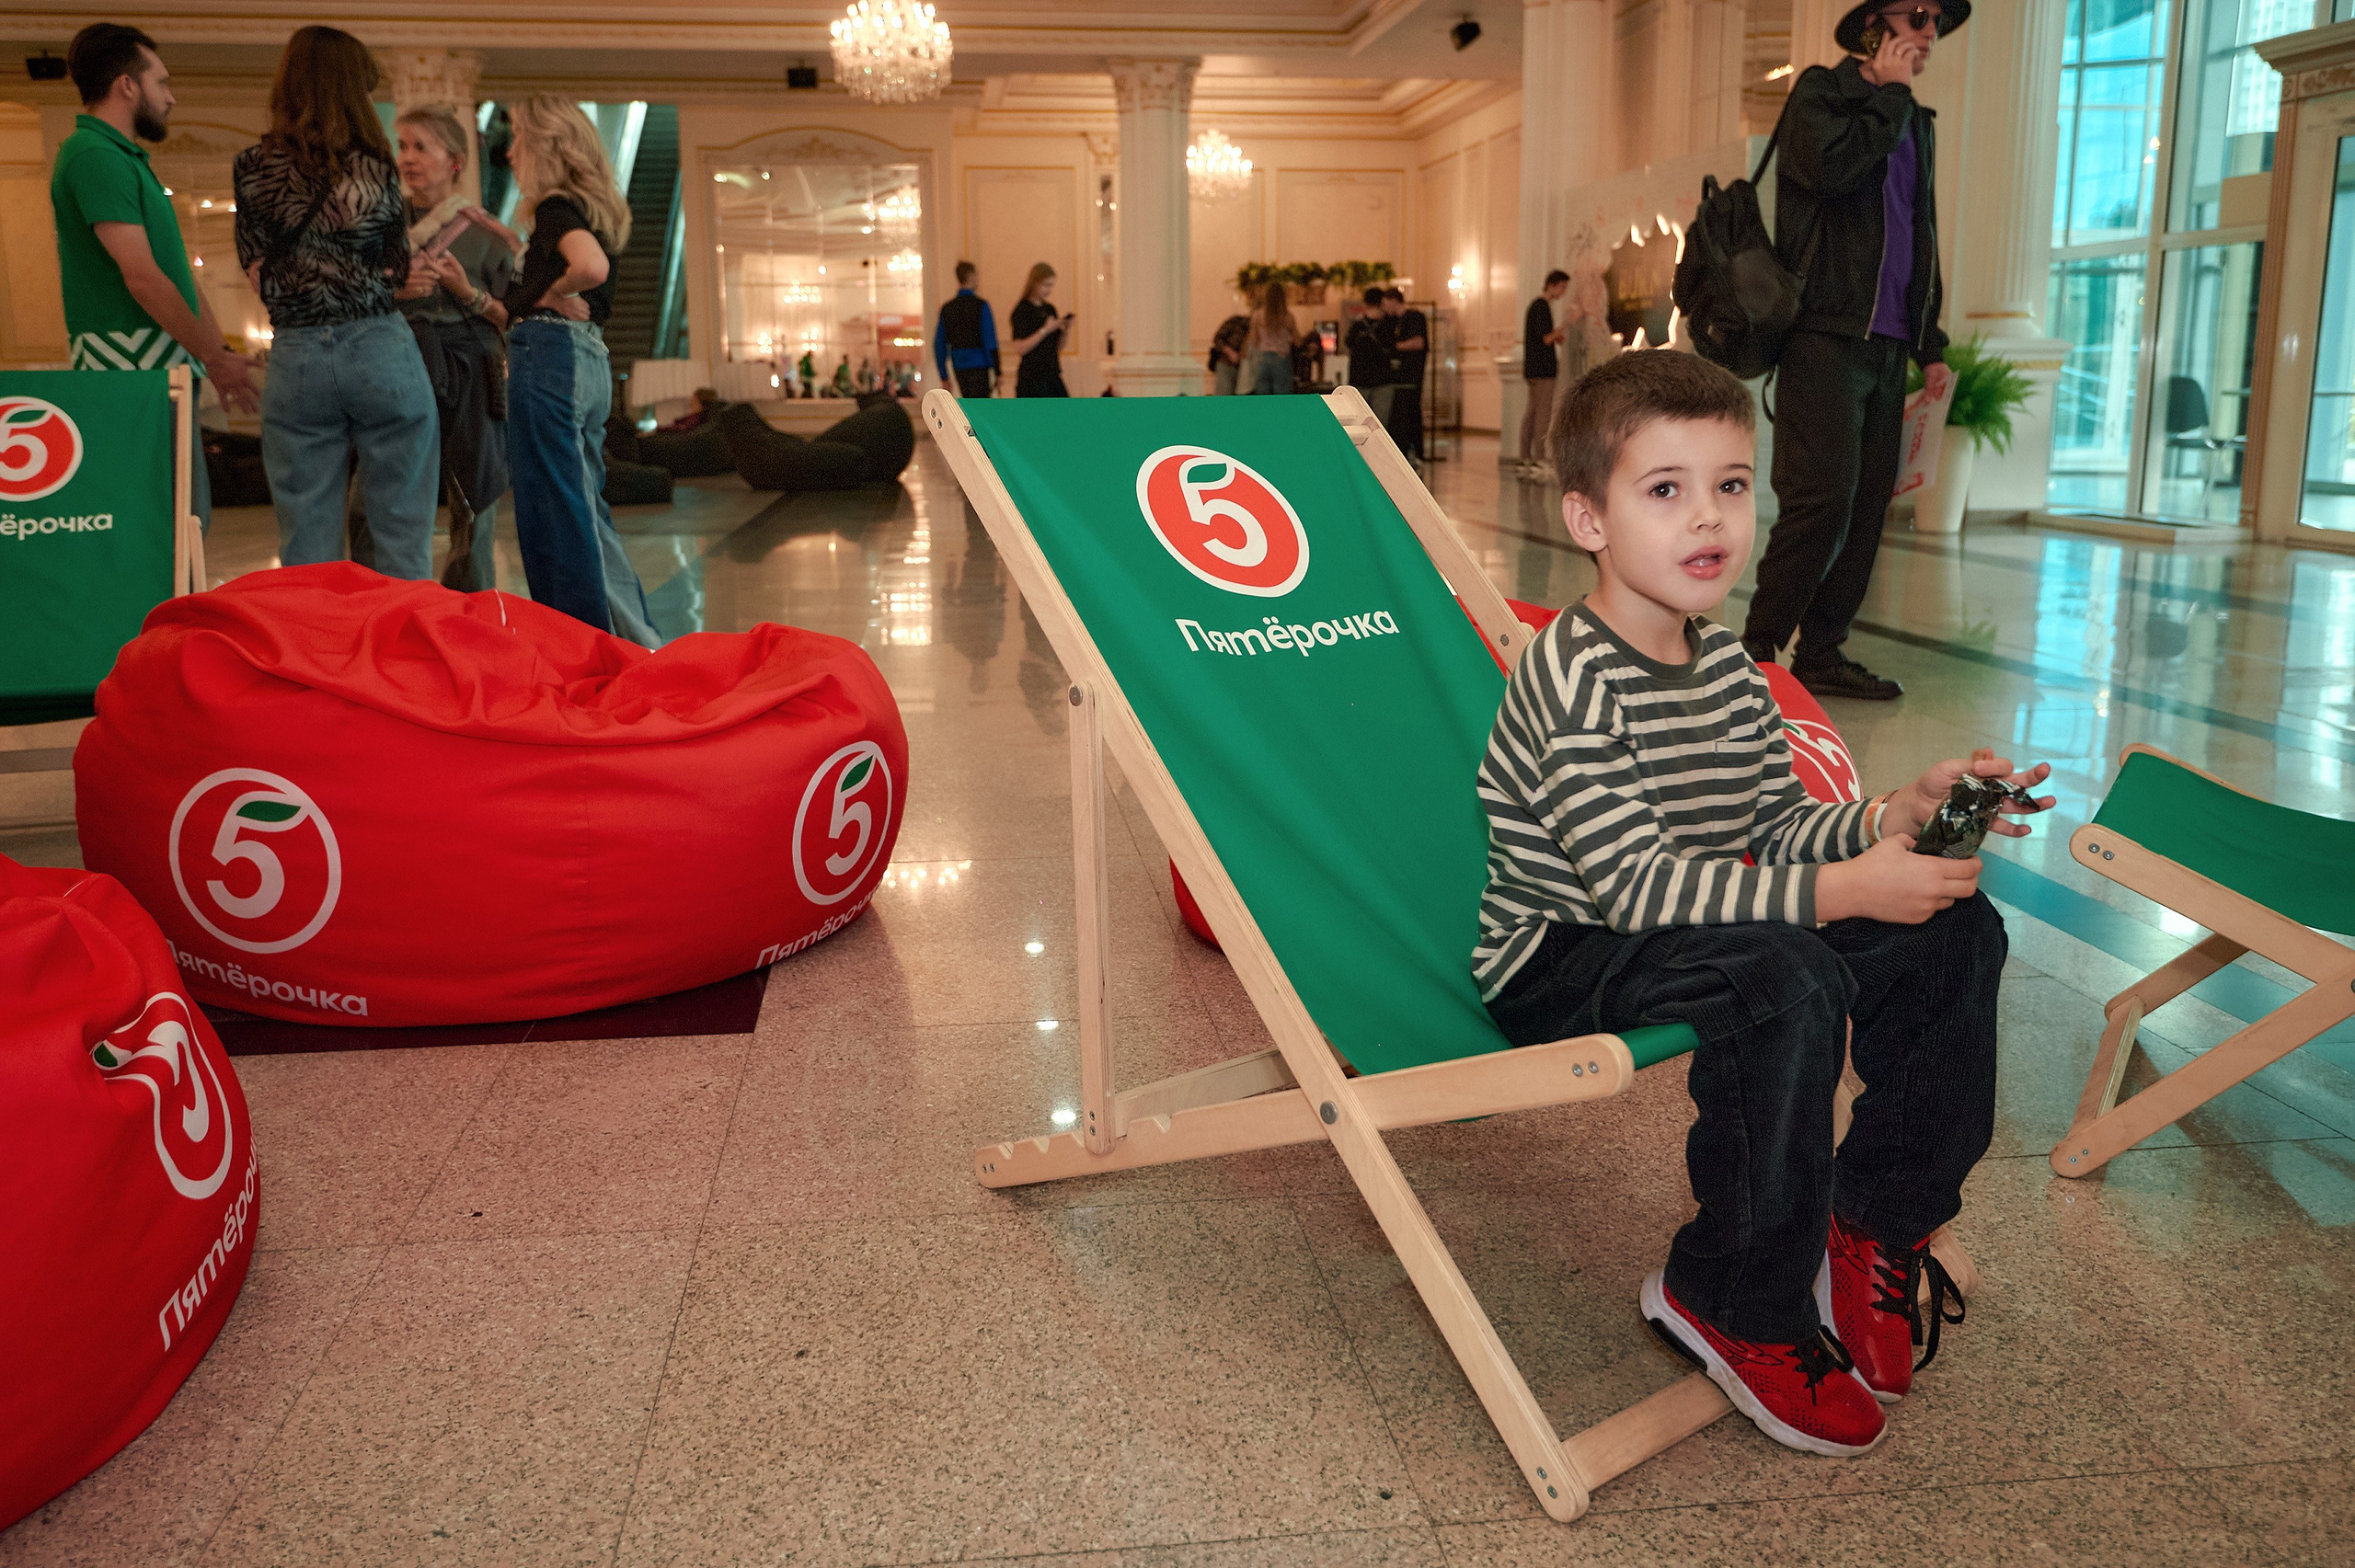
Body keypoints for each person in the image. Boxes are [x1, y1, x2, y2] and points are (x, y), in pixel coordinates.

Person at [1472, 349, 2050, 1458]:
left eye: (1731, 485)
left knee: (1952, 928)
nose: (1709, 519)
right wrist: (1837, 891)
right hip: (1564, 953)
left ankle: (1872, 1220)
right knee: (1788, 974)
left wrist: (1889, 817)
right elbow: (1632, 887)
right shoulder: (1567, 679)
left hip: (1699, 923)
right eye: (1664, 489)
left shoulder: (1732, 673)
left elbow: (1774, 835)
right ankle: (1729, 1296)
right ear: (1587, 519)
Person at [1741, 0, 1962, 702]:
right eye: (1919, 15)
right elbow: (1829, 171)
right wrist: (1889, 97)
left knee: (1867, 506)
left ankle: (1823, 649)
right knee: (1822, 500)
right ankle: (1757, 648)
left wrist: (1928, 341)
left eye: (1937, 23)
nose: (1930, 32)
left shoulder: (1913, 124)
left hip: (1888, 345)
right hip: (1823, 336)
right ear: (1875, 26)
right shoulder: (1819, 93)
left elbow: (1917, 233)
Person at [233, 26, 439, 579]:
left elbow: (255, 268)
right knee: (402, 532)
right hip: (377, 344)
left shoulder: (252, 167)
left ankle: (314, 657)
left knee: (306, 539)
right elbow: (394, 267)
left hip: (297, 352)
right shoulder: (377, 168)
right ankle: (403, 654)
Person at [51, 24, 260, 537]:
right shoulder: (95, 156)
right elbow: (142, 278)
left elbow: (177, 276)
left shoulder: (121, 159)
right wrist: (214, 357)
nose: (171, 97)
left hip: (155, 368)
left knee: (182, 519)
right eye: (160, 83)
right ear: (127, 85)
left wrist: (216, 355)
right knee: (161, 524)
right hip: (133, 371)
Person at [477, 93, 657, 647]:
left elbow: (590, 268)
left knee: (553, 509)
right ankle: (631, 641)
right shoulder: (584, 208)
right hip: (580, 359)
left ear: (545, 145)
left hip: (550, 359)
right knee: (581, 506)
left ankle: (579, 648)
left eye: (518, 141)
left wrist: (555, 290)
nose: (509, 153)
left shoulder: (557, 207)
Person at [367, 104, 514, 592]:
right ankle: (386, 608)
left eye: (421, 147)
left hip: (468, 373)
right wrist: (392, 292)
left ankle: (469, 617)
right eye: (402, 146)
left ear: (455, 160)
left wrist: (466, 292)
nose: (408, 158)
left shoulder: (490, 236)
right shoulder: (377, 230)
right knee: (374, 499)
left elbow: (517, 318)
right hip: (393, 366)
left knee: (472, 506)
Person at [1516, 269, 1570, 479]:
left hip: (1533, 369)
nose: (1563, 292)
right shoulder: (1541, 306)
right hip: (1543, 369)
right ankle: (1538, 458)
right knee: (1542, 414)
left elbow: (1542, 337)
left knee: (1531, 412)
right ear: (1553, 285)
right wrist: (1567, 325)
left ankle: (1524, 458)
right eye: (1563, 287)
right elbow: (1545, 339)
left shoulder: (1536, 306)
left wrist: (1555, 336)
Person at [1008, 263, 1074, 397]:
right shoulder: (1022, 310)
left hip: (1052, 373)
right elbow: (1020, 348)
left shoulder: (1050, 309)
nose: (1049, 290)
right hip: (1032, 377)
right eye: (1046, 285)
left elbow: (1057, 347)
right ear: (1034, 283)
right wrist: (1045, 330)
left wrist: (1065, 330)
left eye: (1051, 286)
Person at [935, 262, 1000, 398]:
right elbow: (989, 340)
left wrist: (944, 375)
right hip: (979, 363)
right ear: (971, 276)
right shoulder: (981, 306)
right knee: (982, 405)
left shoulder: (947, 308)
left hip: (958, 363)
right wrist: (997, 370)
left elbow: (939, 344)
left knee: (967, 403)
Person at [1380, 287, 1428, 460]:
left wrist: (1395, 347)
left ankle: (1416, 452)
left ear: (1394, 300)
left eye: (1386, 303)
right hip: (1396, 378)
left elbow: (1419, 342)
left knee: (1411, 412)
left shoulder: (1414, 318)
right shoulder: (1391, 321)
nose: (1384, 308)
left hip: (1411, 376)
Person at [1345, 286, 1397, 423]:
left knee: (1357, 423)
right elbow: (1392, 347)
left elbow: (1348, 344)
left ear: (1365, 302)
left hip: (1359, 380)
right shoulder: (1389, 325)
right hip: (1383, 381)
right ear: (1382, 302)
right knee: (1379, 426)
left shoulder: (1357, 326)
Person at [1241, 282, 1296, 395]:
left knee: (1263, 399)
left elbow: (1254, 341)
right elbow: (1297, 340)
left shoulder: (1258, 315)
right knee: (1282, 399)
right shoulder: (1287, 316)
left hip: (1264, 359)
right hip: (1282, 358)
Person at [1208, 313, 1249, 395]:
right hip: (1226, 365)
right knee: (1224, 396)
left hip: (1243, 368)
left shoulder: (1256, 327)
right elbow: (1218, 339)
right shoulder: (1236, 321)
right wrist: (1230, 353)